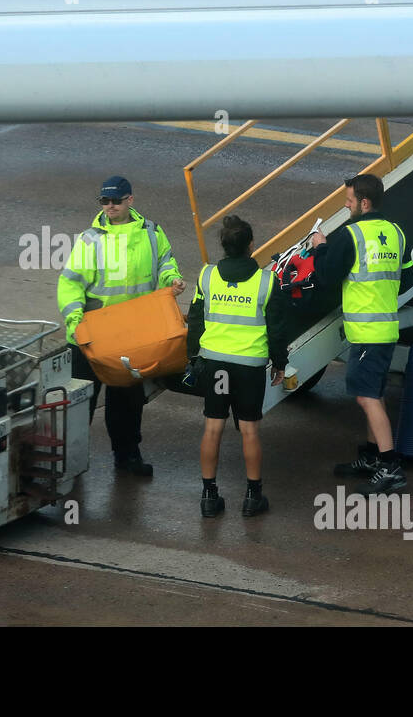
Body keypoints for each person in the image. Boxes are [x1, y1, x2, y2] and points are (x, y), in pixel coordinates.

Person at [57, 175, 185, 476]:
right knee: (79, 405)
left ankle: (127, 458)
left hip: (132, 336)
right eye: (104, 201)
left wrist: (172, 278)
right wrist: (75, 322)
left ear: (130, 200)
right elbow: (70, 284)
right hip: (91, 336)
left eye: (115, 200)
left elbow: (166, 262)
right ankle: (67, 464)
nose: (109, 206)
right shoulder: (91, 239)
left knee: (127, 403)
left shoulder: (152, 233)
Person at [309, 173, 413, 495]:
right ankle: (371, 458)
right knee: (375, 393)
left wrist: (319, 247)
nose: (347, 207)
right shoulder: (396, 233)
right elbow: (408, 280)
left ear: (364, 203)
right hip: (385, 329)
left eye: (349, 202)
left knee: (365, 396)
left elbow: (327, 277)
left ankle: (390, 467)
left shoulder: (351, 236)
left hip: (366, 333)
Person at [186, 215, 291, 517]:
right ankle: (252, 498)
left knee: (212, 427)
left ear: (223, 245)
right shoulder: (267, 281)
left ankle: (208, 496)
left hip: (215, 362)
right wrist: (280, 363)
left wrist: (194, 359)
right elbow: (277, 329)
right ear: (251, 245)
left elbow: (195, 320)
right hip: (249, 366)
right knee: (249, 431)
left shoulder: (207, 276)